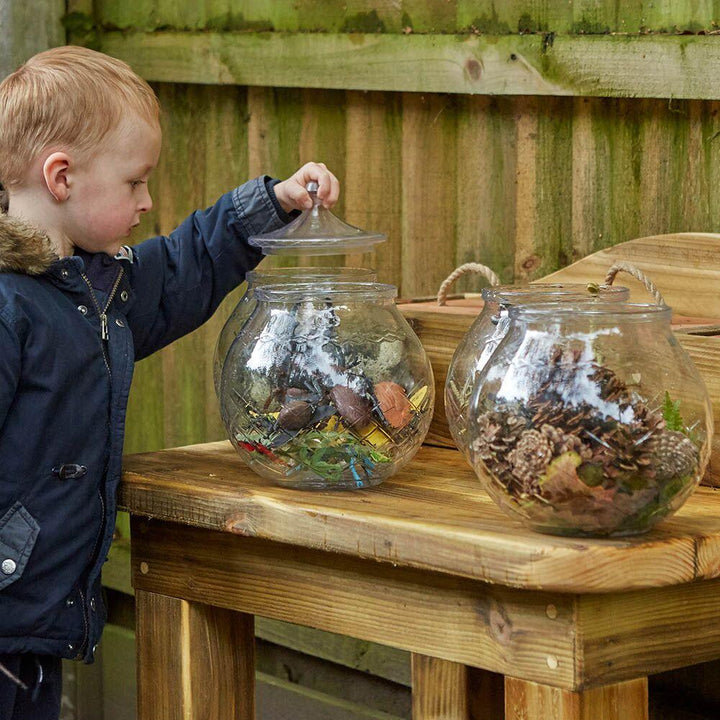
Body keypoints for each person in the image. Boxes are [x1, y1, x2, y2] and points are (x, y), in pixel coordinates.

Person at [0, 45, 339, 719]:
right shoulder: (10, 310)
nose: (148, 200)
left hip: (33, 635)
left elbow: (185, 268)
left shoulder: (96, 288)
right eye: (134, 182)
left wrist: (270, 206)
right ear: (61, 177)